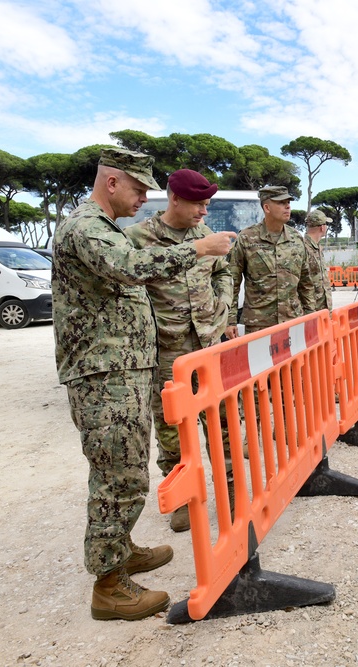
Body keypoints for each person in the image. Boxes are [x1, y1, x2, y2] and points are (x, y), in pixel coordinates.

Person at [52, 148, 237, 621]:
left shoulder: (104, 226)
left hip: (121, 370)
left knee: (125, 469)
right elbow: (130, 268)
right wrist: (197, 249)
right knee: (120, 476)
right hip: (102, 375)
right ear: (111, 182)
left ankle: (121, 549)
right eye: (137, 189)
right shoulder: (86, 226)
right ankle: (109, 587)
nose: (144, 198)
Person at [123, 169, 235, 533]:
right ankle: (184, 498)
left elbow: (224, 272)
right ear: (174, 199)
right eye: (198, 205)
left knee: (221, 423)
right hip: (165, 352)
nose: (204, 212)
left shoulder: (206, 236)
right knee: (172, 430)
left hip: (208, 346)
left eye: (206, 204)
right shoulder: (138, 238)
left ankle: (231, 490)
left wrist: (222, 305)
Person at [225, 185, 319, 337]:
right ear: (267, 207)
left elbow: (305, 282)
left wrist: (311, 315)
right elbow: (232, 283)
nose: (288, 206)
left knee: (293, 361)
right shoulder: (246, 238)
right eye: (281, 203)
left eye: (288, 202)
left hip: (292, 321)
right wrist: (230, 321)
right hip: (259, 325)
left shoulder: (296, 238)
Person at [303, 209, 334, 310]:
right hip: (311, 310)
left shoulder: (317, 247)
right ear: (322, 227)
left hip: (322, 309)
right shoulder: (303, 247)